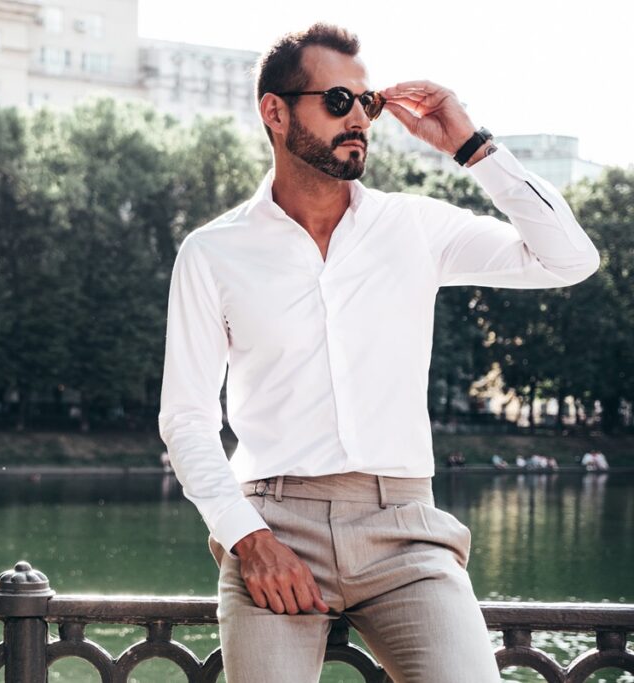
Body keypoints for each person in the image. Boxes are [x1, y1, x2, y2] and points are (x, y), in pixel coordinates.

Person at [157, 23, 599, 683]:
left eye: (368, 103)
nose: (358, 118)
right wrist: (247, 536)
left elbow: (568, 257)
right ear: (275, 112)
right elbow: (186, 416)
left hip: (406, 531)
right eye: (338, 101)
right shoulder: (212, 252)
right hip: (275, 526)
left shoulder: (414, 227)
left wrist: (468, 143)